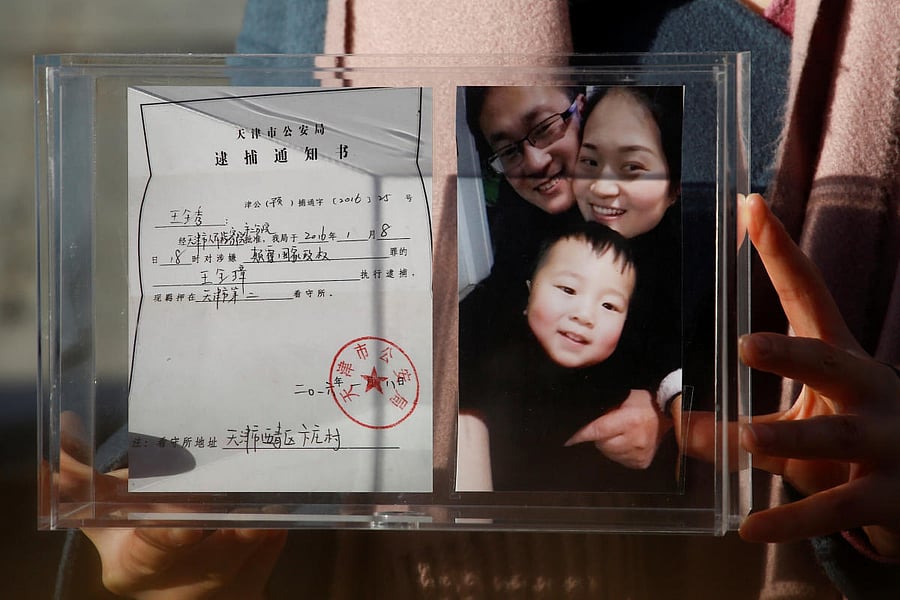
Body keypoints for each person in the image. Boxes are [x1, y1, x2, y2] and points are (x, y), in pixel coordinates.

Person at [57, 1, 900, 598]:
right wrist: (185, 561)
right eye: (507, 147)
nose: (541, 163)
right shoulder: (320, 16)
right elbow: (246, 405)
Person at [458, 222, 677, 491]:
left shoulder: (624, 374)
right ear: (528, 297)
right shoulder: (495, 354)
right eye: (568, 290)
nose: (584, 315)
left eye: (609, 305)